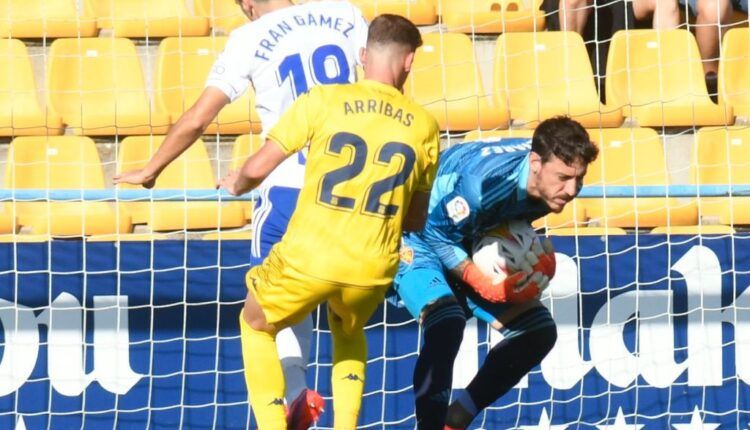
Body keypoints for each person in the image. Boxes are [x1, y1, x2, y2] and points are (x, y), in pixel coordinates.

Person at [114, 0, 369, 426]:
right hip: (351, 188)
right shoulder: (344, 13)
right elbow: (387, 76)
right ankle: (342, 418)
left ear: (248, 4)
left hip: (287, 188)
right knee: (344, 316)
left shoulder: (248, 38)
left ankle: (293, 392)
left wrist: (150, 169)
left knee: (265, 311)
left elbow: (199, 118)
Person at [218, 14, 439, 430]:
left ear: (361, 55)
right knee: (349, 331)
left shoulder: (324, 100)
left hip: (310, 257)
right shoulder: (426, 126)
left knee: (254, 322)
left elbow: (261, 165)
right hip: (372, 268)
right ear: (409, 62)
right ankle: (346, 425)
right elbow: (416, 217)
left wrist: (237, 182)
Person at [392, 117, 599, 430]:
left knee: (538, 333)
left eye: (579, 179)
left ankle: (456, 419)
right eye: (564, 177)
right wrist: (479, 281)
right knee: (446, 322)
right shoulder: (482, 187)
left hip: (464, 236)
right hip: (415, 231)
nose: (572, 190)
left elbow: (502, 223)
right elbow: (435, 232)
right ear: (535, 163)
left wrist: (536, 262)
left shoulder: (545, 185)